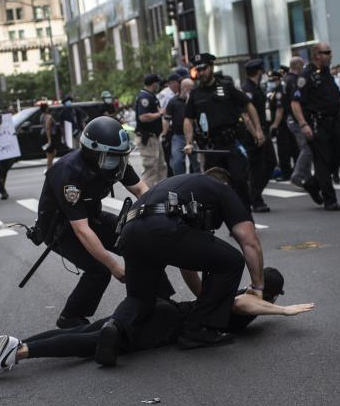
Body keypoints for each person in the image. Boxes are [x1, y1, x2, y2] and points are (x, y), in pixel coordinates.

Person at [0, 269, 313, 378]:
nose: (277, 303)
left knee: (86, 330)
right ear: (270, 294)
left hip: (162, 311)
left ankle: (8, 346)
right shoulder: (246, 302)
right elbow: (242, 304)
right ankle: (19, 352)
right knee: (89, 341)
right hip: (164, 324)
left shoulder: (238, 294)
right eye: (276, 297)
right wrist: (282, 313)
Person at [109, 168, 266, 351]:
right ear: (226, 184)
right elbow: (249, 241)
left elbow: (188, 263)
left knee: (138, 298)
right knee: (232, 261)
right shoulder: (222, 188)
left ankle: (112, 328)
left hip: (130, 232)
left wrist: (205, 300)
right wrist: (257, 287)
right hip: (162, 229)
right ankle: (198, 329)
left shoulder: (184, 187)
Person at [33, 116, 148, 329]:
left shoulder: (115, 160)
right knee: (99, 270)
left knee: (136, 243)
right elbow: (82, 230)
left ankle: (158, 300)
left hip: (91, 217)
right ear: (93, 153)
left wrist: (154, 210)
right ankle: (70, 317)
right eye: (112, 156)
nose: (117, 161)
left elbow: (142, 190)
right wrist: (114, 265)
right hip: (61, 229)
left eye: (120, 156)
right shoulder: (69, 173)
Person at [182, 53, 264, 211]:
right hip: (211, 148)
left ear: (211, 67)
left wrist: (258, 130)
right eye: (197, 70)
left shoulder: (226, 87)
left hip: (231, 145)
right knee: (213, 188)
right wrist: (188, 142)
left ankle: (246, 218)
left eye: (204, 69)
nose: (201, 73)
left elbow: (248, 105)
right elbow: (188, 120)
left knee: (240, 181)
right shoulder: (195, 94)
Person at [290, 43, 340, 211]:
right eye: (327, 52)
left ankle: (312, 184)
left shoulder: (326, 73)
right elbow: (295, 103)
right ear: (317, 55)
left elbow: (337, 96)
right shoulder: (306, 75)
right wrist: (303, 124)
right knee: (323, 161)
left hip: (334, 122)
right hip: (317, 124)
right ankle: (330, 200)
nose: (331, 55)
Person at [242, 59, 277, 213]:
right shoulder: (247, 88)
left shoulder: (255, 87)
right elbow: (245, 115)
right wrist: (255, 132)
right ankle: (256, 200)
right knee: (257, 167)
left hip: (262, 130)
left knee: (270, 162)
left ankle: (253, 194)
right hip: (254, 132)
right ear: (259, 71)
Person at [284, 57, 313, 188]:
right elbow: (295, 102)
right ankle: (297, 175)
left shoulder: (286, 79)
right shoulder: (294, 80)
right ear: (298, 66)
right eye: (302, 65)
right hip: (296, 120)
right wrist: (302, 122)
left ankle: (307, 178)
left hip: (291, 119)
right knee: (307, 149)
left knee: (305, 148)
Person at [135, 73, 168, 187]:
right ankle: (145, 196)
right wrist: (159, 114)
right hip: (147, 138)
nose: (159, 85)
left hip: (154, 137)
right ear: (154, 84)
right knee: (151, 168)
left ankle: (161, 192)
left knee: (161, 166)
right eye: (157, 83)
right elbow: (143, 117)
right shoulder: (145, 97)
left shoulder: (150, 96)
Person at [268, 69, 297, 181]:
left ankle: (286, 173)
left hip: (283, 126)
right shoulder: (274, 92)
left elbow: (280, 110)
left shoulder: (280, 92)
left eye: (274, 79)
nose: (271, 82)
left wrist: (274, 125)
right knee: (291, 148)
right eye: (270, 80)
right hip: (285, 125)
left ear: (279, 79)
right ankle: (292, 171)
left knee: (284, 150)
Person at [166, 77, 195, 175]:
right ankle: (180, 180)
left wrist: (189, 101)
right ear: (183, 88)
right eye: (190, 89)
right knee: (177, 161)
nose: (191, 91)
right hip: (178, 136)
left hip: (193, 136)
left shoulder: (193, 100)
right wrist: (164, 133)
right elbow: (167, 119)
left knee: (196, 162)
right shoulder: (173, 101)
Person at [41, 102, 57, 171]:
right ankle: (48, 170)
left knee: (52, 153)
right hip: (48, 136)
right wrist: (49, 139)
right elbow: (48, 128)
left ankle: (49, 168)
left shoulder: (42, 116)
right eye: (48, 107)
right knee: (50, 154)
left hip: (44, 136)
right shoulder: (49, 116)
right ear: (46, 109)